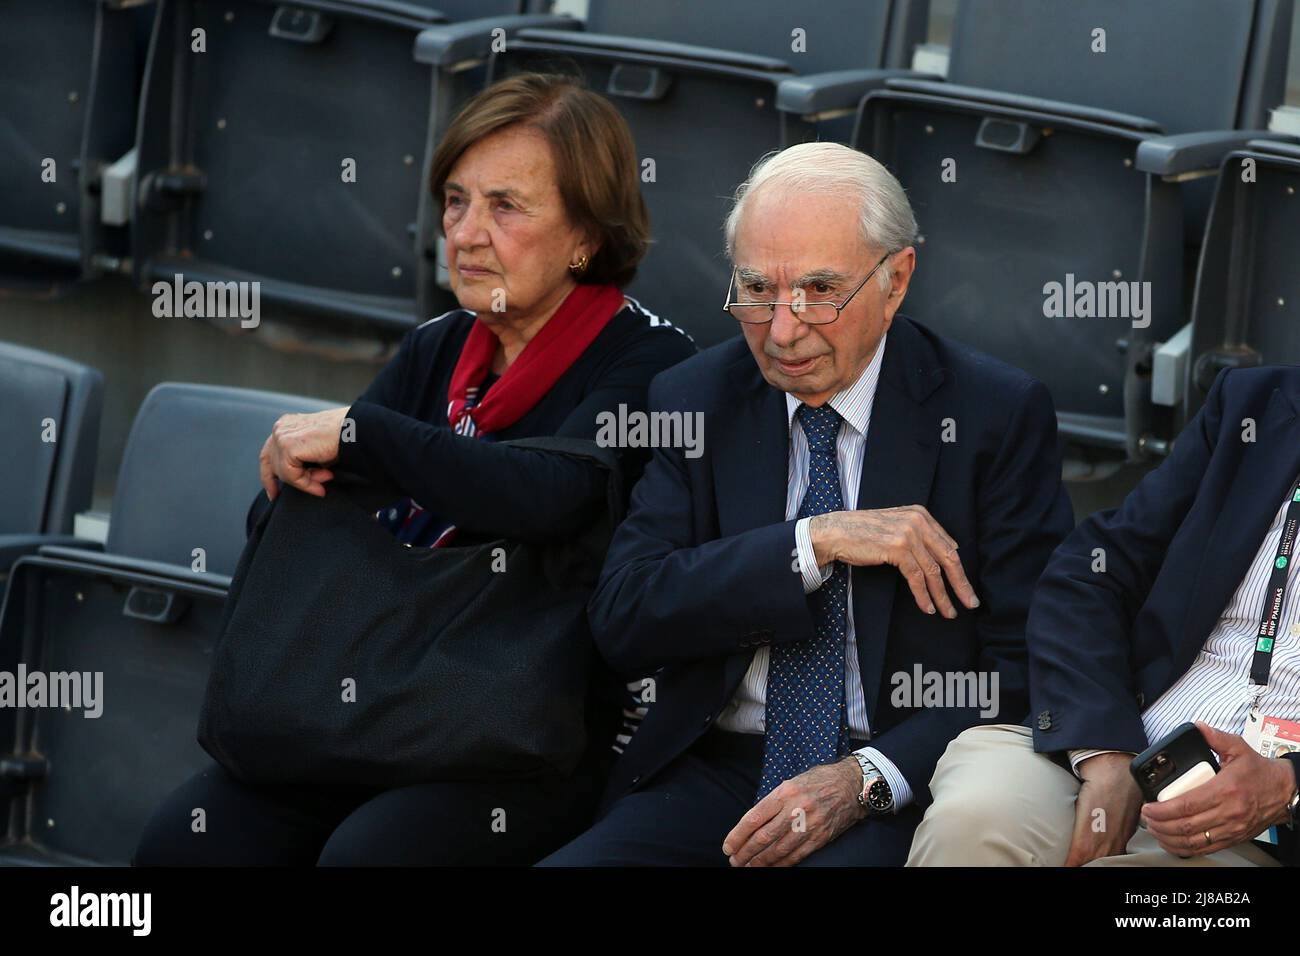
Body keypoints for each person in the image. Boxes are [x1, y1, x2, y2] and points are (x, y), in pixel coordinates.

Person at [133, 73, 694, 867]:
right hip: (387, 701)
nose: (465, 233)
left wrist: (364, 437)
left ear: (587, 237)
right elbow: (324, 503)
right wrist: (313, 460)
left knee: (373, 859)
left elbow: (549, 496)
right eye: (455, 201)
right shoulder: (440, 345)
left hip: (528, 732)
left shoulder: (651, 363)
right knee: (187, 843)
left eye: (505, 206)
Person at [539, 141, 1074, 867]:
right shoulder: (697, 398)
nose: (783, 331)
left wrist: (867, 778)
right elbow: (625, 615)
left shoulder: (992, 416)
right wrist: (809, 544)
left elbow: (1027, 663)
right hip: (718, 771)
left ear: (896, 280)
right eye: (757, 290)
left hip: (889, 783)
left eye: (820, 290)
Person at [909, 366, 1300, 867]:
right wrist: (1105, 752)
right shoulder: (1258, 402)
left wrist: (1287, 786)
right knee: (972, 820)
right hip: (1122, 746)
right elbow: (1091, 571)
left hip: (1262, 833)